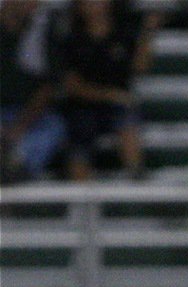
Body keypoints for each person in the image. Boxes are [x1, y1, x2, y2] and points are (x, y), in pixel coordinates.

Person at [57, 0, 158, 180]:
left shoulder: (123, 32)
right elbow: (72, 86)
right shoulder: (71, 37)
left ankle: (136, 177)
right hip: (82, 105)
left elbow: (139, 68)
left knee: (128, 119)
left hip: (118, 105)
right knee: (78, 134)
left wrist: (148, 32)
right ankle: (81, 199)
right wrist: (111, 95)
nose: (94, 5)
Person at [0, 0, 67, 182]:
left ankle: (17, 169)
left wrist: (18, 128)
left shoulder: (43, 31)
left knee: (54, 127)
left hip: (28, 114)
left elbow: (48, 87)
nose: (33, 4)